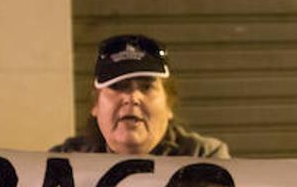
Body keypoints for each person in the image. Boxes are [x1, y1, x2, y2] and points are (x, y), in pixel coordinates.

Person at [50, 33, 229, 157]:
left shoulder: (205, 157)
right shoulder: (63, 161)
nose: (132, 97)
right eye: (118, 86)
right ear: (95, 105)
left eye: (146, 87)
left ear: (169, 105)